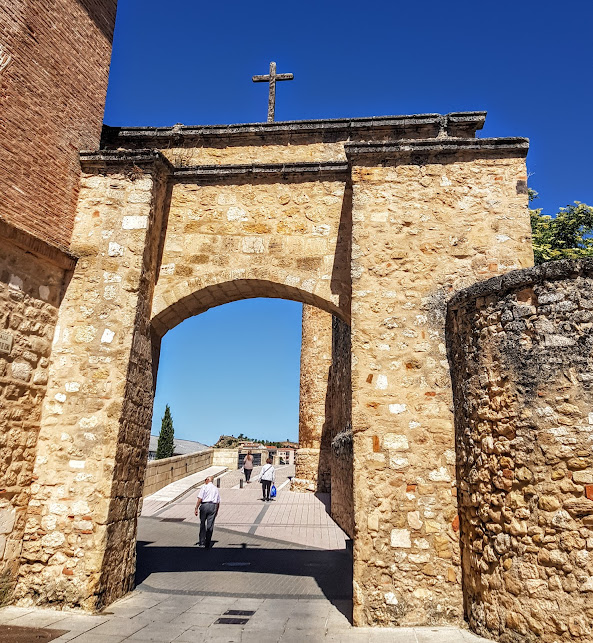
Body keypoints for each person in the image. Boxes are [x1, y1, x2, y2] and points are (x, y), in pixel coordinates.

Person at [194, 476, 220, 548]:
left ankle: (202, 542)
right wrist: (216, 510)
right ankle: (208, 542)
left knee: (202, 523)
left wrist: (196, 507)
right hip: (213, 506)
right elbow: (218, 501)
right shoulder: (215, 488)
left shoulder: (204, 487)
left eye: (205, 479)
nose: (204, 481)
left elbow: (200, 498)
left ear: (208, 480)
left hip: (204, 505)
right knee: (210, 525)